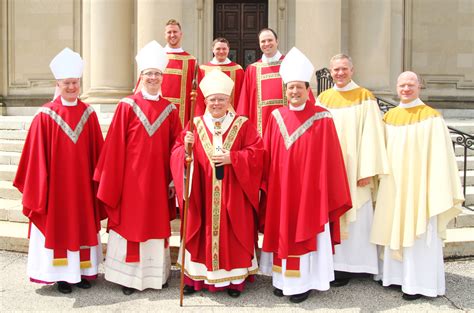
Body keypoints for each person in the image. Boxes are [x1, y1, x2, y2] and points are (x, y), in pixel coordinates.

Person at [259, 47, 352, 303]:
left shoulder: (323, 118)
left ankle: (304, 283)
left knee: (305, 230)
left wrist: (323, 188)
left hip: (311, 193)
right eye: (291, 88)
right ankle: (281, 280)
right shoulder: (276, 116)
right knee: (282, 228)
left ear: (308, 90)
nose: (295, 92)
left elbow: (332, 161)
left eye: (300, 87)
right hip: (281, 190)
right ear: (285, 90)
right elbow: (266, 154)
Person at [13, 48, 105, 294]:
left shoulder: (89, 113)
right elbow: (34, 158)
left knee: (83, 224)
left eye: (75, 82)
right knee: (62, 224)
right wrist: (41, 186)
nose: (72, 87)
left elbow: (99, 154)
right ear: (58, 84)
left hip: (83, 186)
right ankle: (63, 276)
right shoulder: (45, 115)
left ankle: (83, 272)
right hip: (56, 189)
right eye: (67, 83)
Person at [94, 41, 182, 295]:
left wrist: (178, 164)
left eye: (157, 74)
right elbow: (113, 146)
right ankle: (127, 278)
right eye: (149, 73)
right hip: (130, 181)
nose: (153, 78)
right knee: (131, 225)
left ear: (162, 77)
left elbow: (175, 143)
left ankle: (157, 276)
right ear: (141, 76)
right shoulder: (126, 105)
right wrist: (114, 180)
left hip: (157, 181)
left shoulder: (170, 109)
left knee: (154, 226)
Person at [171, 69, 264, 298]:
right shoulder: (195, 124)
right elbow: (176, 154)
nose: (217, 104)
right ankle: (195, 279)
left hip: (234, 194)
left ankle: (233, 280)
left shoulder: (242, 124)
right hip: (202, 193)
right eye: (213, 100)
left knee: (234, 231)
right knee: (199, 230)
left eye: (221, 99)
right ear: (205, 101)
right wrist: (186, 148)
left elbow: (258, 152)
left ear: (229, 100)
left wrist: (234, 158)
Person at [371, 71, 464, 300]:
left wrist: (432, 185)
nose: (406, 89)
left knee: (418, 232)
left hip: (419, 186)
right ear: (396, 87)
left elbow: (441, 157)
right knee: (393, 226)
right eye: (402, 85)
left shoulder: (431, 118)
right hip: (393, 184)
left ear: (419, 87)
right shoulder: (389, 117)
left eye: (410, 85)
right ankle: (395, 278)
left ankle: (418, 284)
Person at [316, 54, 390, 286]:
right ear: (330, 71)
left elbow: (372, 135)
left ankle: (361, 265)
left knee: (359, 216)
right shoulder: (323, 98)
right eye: (336, 69)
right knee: (336, 213)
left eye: (344, 69)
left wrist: (366, 170)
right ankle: (339, 267)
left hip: (356, 169)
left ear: (352, 70)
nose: (340, 73)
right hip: (331, 169)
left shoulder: (364, 97)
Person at [237, 28, 315, 136]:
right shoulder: (252, 69)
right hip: (260, 126)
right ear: (259, 44)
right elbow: (244, 100)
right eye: (263, 41)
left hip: (289, 121)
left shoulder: (290, 64)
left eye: (270, 40)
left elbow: (304, 92)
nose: (266, 44)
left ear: (277, 41)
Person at [162, 19, 197, 127]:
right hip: (158, 111)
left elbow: (196, 93)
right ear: (165, 35)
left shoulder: (191, 61)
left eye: (175, 32)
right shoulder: (157, 56)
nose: (172, 35)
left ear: (181, 34)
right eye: (169, 32)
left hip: (182, 114)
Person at [195, 37, 244, 115]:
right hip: (208, 114)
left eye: (224, 49)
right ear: (213, 50)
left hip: (232, 115)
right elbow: (199, 96)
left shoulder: (237, 70)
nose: (221, 51)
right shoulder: (203, 69)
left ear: (228, 50)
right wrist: (199, 115)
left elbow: (242, 95)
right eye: (218, 49)